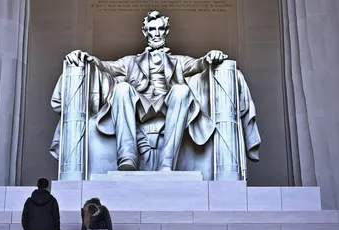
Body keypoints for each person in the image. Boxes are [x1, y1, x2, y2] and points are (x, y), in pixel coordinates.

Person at [63, 10, 228, 171]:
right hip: (140, 105)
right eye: (151, 29)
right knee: (121, 88)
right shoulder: (131, 61)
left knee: (181, 90)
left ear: (166, 31)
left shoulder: (178, 61)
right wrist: (89, 59)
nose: (156, 33)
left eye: (160, 29)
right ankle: (127, 157)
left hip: (168, 105)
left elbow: (198, 64)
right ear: (145, 32)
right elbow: (108, 67)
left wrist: (209, 57)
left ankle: (166, 163)